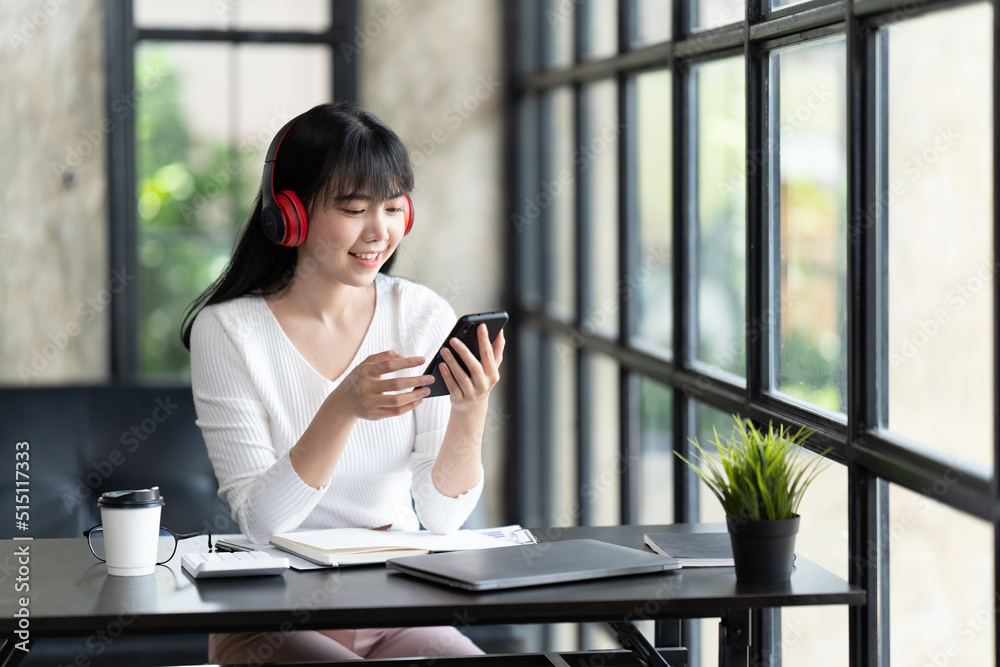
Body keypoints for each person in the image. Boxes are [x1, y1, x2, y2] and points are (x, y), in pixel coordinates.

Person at [180, 101, 504, 663]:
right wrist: (341, 408)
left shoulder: (421, 315)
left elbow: (443, 516)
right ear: (290, 214)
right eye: (354, 209)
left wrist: (470, 412)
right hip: (274, 616)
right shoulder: (228, 331)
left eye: (393, 208)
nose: (379, 233)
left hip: (392, 604)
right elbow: (261, 523)